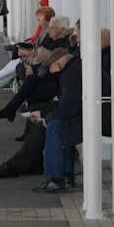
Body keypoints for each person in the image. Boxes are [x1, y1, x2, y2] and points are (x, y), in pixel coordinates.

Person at [32, 46, 84, 194]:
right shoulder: (73, 68)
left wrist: (46, 119)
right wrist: (42, 113)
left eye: (51, 70)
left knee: (55, 125)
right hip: (92, 112)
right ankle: (67, 174)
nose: (52, 74)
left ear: (57, 64)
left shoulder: (70, 74)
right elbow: (66, 104)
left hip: (101, 116)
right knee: (62, 123)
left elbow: (66, 108)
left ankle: (56, 179)